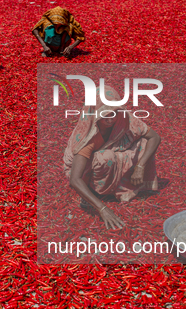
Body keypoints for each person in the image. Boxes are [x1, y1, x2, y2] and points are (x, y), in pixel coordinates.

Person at [64, 87, 160, 230]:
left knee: (143, 144)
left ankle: (123, 187)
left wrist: (140, 166)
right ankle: (92, 193)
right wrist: (103, 209)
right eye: (104, 115)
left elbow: (155, 137)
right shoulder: (88, 136)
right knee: (106, 157)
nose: (110, 119)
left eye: (114, 113)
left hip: (111, 162)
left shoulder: (124, 119)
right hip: (88, 171)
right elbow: (74, 179)